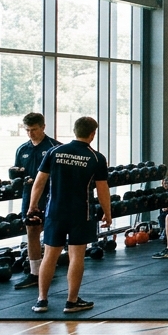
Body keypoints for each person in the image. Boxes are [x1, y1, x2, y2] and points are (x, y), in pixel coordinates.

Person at [27, 116, 111, 314]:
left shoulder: (54, 152)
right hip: (81, 213)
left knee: (49, 255)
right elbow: (102, 189)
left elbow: (39, 182)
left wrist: (32, 206)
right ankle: (71, 302)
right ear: (93, 134)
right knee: (76, 256)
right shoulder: (96, 158)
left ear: (74, 131)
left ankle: (41, 300)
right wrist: (107, 213)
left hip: (55, 211)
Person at [11, 112, 61, 290]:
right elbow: (18, 174)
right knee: (32, 230)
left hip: (51, 194)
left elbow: (62, 175)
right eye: (27, 130)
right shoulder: (22, 149)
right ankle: (35, 273)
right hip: (29, 196)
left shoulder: (55, 148)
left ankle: (49, 268)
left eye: (33, 129)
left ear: (43, 127)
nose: (30, 133)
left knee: (50, 231)